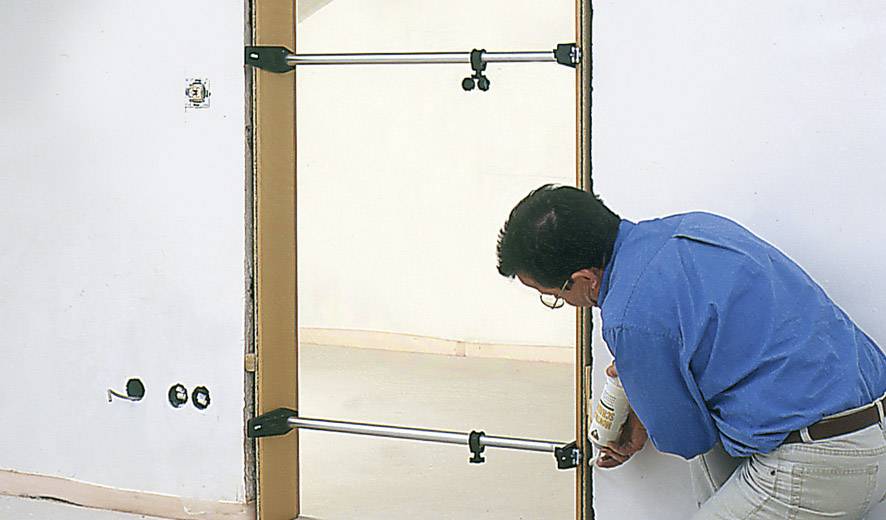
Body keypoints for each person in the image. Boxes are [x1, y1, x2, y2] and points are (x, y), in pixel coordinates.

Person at [496, 184, 886, 519]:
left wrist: (653, 395)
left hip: (822, 462)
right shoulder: (696, 227)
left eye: (555, 297)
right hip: (870, 426)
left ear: (583, 279)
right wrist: (651, 390)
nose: (566, 303)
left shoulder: (628, 317)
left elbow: (687, 440)